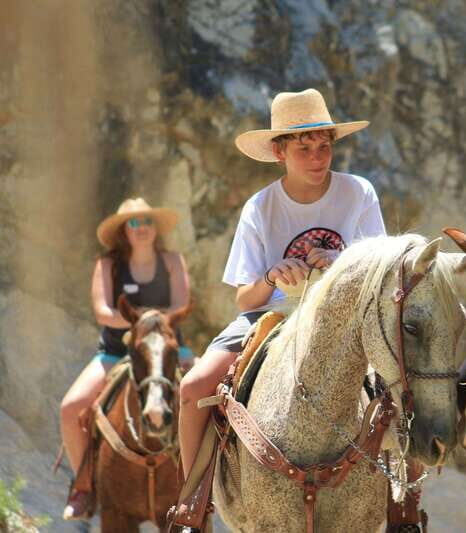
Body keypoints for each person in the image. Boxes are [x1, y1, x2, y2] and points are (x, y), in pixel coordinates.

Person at [177, 88, 386, 481]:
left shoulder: (358, 192)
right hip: (273, 315)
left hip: (348, 314)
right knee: (193, 387)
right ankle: (191, 503)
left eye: (324, 146)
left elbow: (380, 269)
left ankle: (403, 505)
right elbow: (244, 298)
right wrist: (272, 275)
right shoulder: (259, 207)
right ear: (279, 153)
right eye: (304, 148)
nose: (317, 158)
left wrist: (342, 264)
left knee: (412, 381)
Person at [59, 197, 192, 520]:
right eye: (134, 223)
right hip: (117, 352)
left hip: (168, 350)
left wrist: (150, 326)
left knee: (212, 400)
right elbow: (103, 311)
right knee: (71, 408)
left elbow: (181, 304)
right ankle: (85, 487)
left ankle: (204, 483)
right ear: (124, 230)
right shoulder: (108, 264)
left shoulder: (172, 260)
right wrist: (140, 323)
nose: (141, 228)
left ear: (154, 227)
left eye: (146, 222)